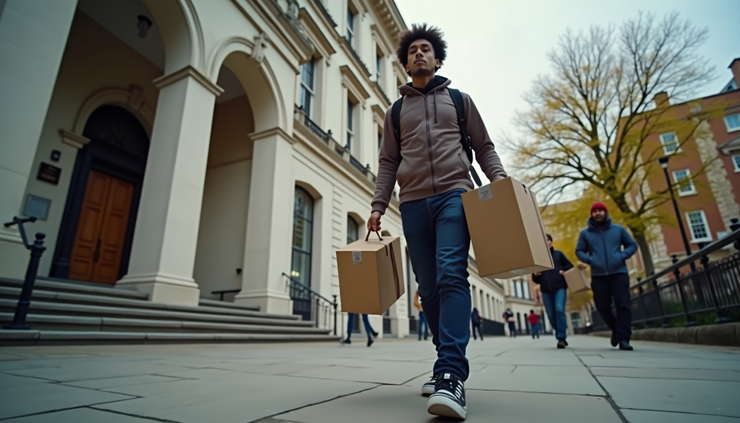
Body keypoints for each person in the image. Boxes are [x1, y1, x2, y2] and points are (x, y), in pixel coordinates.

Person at [367, 23, 508, 420]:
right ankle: (442, 358)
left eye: (426, 49)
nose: (419, 54)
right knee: (427, 289)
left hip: (454, 196)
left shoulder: (459, 101)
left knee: (451, 273)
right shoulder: (396, 112)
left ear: (437, 58)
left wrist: (500, 184)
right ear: (406, 64)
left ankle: (451, 372)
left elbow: (484, 147)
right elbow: (388, 162)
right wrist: (378, 205)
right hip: (411, 203)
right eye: (413, 51)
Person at [576, 202, 638, 351]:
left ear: (605, 213)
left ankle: (624, 338)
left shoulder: (618, 230)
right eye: (595, 211)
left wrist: (621, 256)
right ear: (591, 214)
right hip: (598, 275)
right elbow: (579, 251)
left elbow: (632, 245)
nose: (598, 213)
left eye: (600, 211)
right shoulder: (585, 233)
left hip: (619, 273)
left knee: (622, 305)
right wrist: (591, 260)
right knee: (602, 306)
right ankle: (616, 328)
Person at [532, 234, 573, 349]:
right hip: (545, 290)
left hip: (560, 287)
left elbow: (570, 266)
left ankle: (561, 337)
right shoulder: (537, 257)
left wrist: (564, 271)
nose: (546, 242)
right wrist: (536, 275)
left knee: (559, 309)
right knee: (550, 315)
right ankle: (559, 331)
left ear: (551, 242)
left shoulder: (558, 254)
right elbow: (535, 279)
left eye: (548, 240)